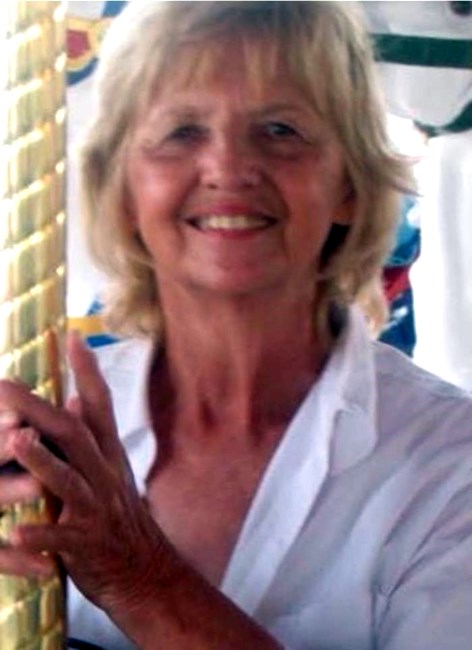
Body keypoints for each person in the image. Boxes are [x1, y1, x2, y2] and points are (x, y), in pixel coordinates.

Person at [1, 2, 472, 649]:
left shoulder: (449, 464)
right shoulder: (44, 428)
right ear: (124, 187)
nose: (227, 168)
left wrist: (137, 575)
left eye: (280, 129)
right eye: (182, 132)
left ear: (350, 183)